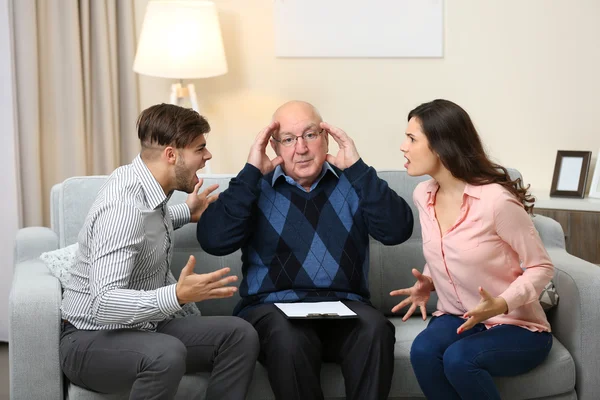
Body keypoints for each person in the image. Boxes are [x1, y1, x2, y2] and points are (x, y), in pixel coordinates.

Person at [196, 100, 414, 400]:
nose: (301, 148)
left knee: (376, 329)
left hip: (345, 307)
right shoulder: (253, 188)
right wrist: (250, 173)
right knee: (289, 339)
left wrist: (359, 170)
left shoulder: (354, 182)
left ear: (326, 139)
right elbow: (214, 240)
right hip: (272, 310)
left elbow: (397, 231)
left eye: (310, 135)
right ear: (274, 146)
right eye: (288, 139)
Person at [60, 103, 259, 400]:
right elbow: (104, 303)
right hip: (90, 339)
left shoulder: (146, 187)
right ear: (171, 155)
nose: (208, 156)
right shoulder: (123, 209)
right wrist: (176, 295)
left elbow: (147, 224)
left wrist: (185, 213)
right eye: (200, 148)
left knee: (239, 335)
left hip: (143, 329)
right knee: (166, 353)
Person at [391, 99, 554, 400]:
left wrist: (502, 303)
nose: (403, 146)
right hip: (459, 316)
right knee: (424, 351)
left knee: (460, 360)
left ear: (441, 146)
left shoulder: (495, 201)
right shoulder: (422, 194)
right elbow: (446, 247)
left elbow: (542, 267)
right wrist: (429, 281)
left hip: (516, 325)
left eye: (412, 139)